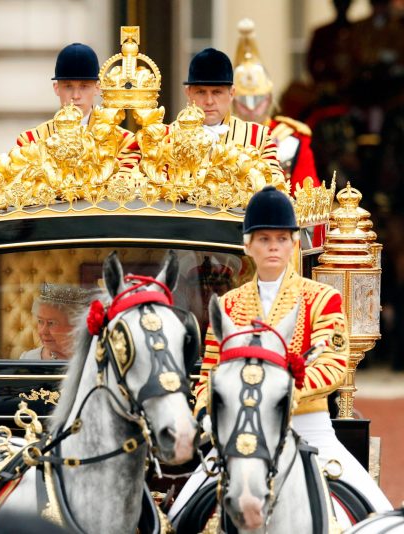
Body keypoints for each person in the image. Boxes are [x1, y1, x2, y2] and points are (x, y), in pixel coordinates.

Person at [169, 186, 392, 519]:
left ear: (294, 243)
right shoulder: (227, 306)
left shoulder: (323, 298)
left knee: (378, 513)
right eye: (263, 239)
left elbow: (333, 363)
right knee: (178, 516)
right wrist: (205, 412)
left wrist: (277, 393)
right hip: (237, 434)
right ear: (247, 244)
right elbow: (209, 375)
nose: (273, 246)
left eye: (281, 238)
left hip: (308, 426)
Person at [16, 43, 141, 173]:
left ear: (97, 88)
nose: (75, 96)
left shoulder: (123, 142)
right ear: (56, 88)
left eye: (84, 86)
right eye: (68, 86)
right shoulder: (32, 141)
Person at [233, 19, 320, 194]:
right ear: (232, 100)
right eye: (243, 100)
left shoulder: (291, 138)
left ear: (270, 98)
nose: (251, 108)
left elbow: (310, 200)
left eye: (258, 99)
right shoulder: (218, 135)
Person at [181, 47, 284, 183]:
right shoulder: (167, 137)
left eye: (217, 92)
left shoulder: (258, 137)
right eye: (201, 92)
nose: (209, 101)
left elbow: (274, 187)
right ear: (188, 93)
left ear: (232, 93)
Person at [19, 283, 89, 361]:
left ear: (74, 325)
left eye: (51, 323)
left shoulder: (91, 359)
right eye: (40, 321)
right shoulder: (28, 359)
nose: (43, 331)